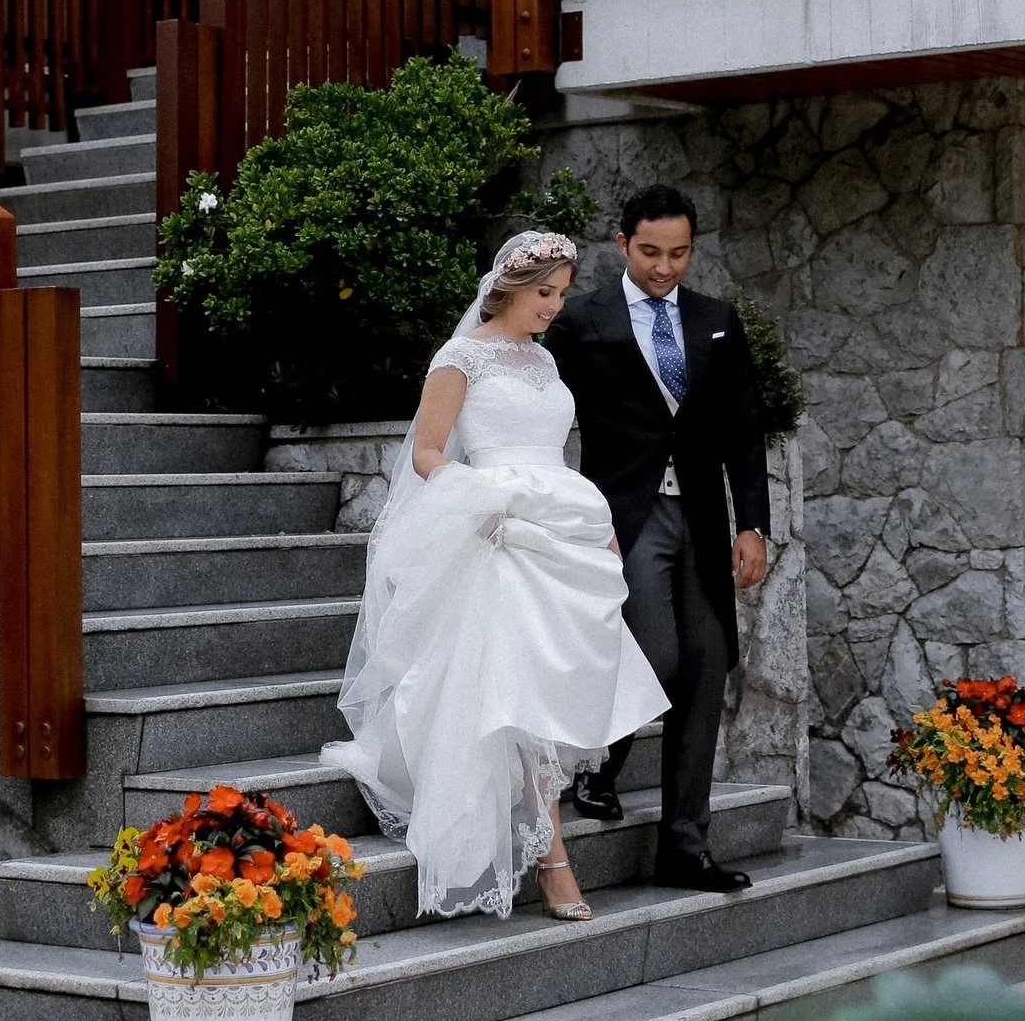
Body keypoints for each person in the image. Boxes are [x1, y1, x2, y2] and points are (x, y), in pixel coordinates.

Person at [321, 231, 668, 922]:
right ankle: (553, 860)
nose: (554, 307)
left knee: (549, 686)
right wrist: (478, 506)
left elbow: (550, 453)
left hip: (557, 529)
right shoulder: (458, 358)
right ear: (509, 289)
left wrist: (587, 522)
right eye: (545, 294)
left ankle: (549, 845)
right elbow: (425, 453)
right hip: (495, 533)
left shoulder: (542, 360)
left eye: (562, 295)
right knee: (515, 690)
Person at [543, 185, 770, 894]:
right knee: (659, 658)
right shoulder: (582, 321)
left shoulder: (717, 322)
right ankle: (598, 765)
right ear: (621, 245)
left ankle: (685, 849)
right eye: (649, 252)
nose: (664, 267)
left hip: (700, 519)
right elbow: (541, 411)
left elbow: (742, 430)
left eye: (678, 253)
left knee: (705, 671)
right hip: (622, 520)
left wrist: (752, 524)